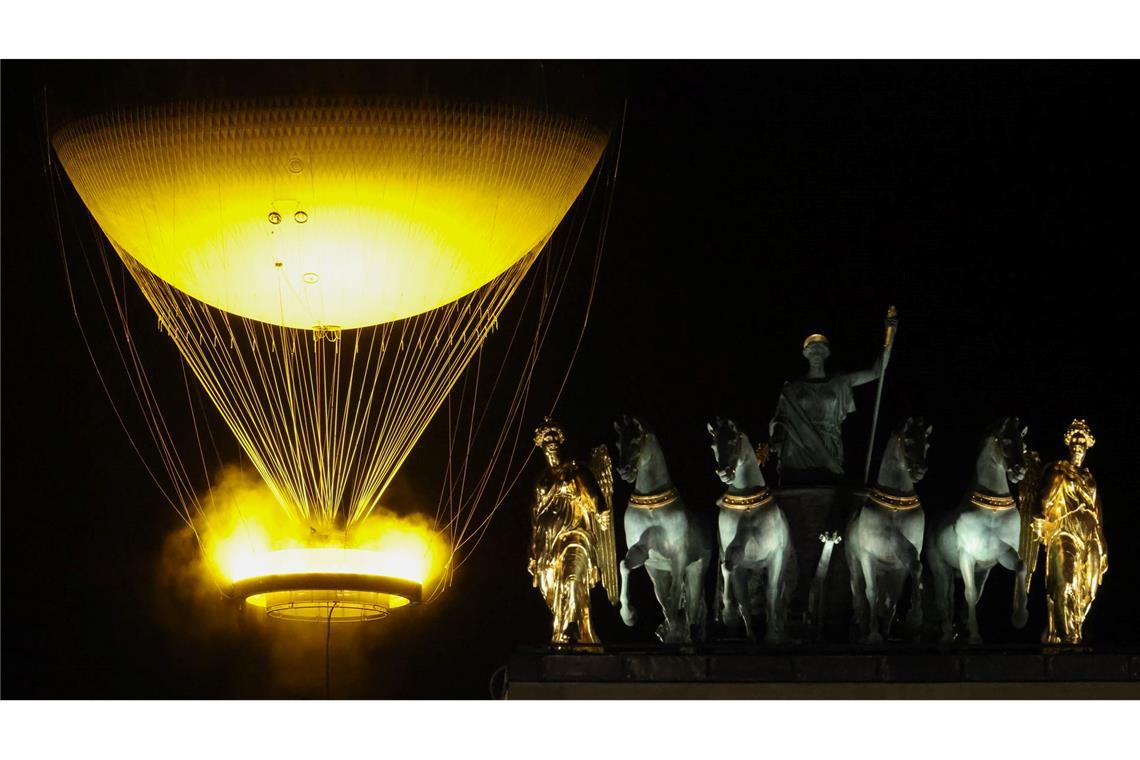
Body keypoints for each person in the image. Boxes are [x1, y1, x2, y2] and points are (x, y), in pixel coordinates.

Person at [528, 419, 617, 645]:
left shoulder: (575, 469)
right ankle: (583, 633)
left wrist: (600, 511)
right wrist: (534, 551)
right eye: (546, 439)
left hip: (575, 535)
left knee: (570, 580)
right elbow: (536, 518)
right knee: (551, 589)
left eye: (555, 438)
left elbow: (594, 496)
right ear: (540, 445)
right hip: (547, 543)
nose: (551, 442)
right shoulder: (541, 481)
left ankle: (559, 636)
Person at [768, 333, 886, 485]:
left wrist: (889, 337)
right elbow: (781, 418)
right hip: (798, 448)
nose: (816, 354)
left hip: (829, 445)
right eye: (812, 351)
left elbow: (876, 372)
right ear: (806, 355)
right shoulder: (794, 388)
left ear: (826, 354)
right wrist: (777, 437)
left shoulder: (839, 382)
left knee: (831, 490)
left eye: (820, 351)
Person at [1032, 419, 1107, 645]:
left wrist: (1102, 543)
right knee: (1065, 584)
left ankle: (1072, 627)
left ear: (1088, 444)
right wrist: (1040, 518)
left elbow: (1098, 513)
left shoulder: (1090, 478)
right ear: (1068, 442)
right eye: (1074, 438)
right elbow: (1043, 500)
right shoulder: (1059, 471)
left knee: (1090, 589)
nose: (1077, 442)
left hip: (1090, 536)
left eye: (1081, 439)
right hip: (1065, 532)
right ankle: (1069, 640)